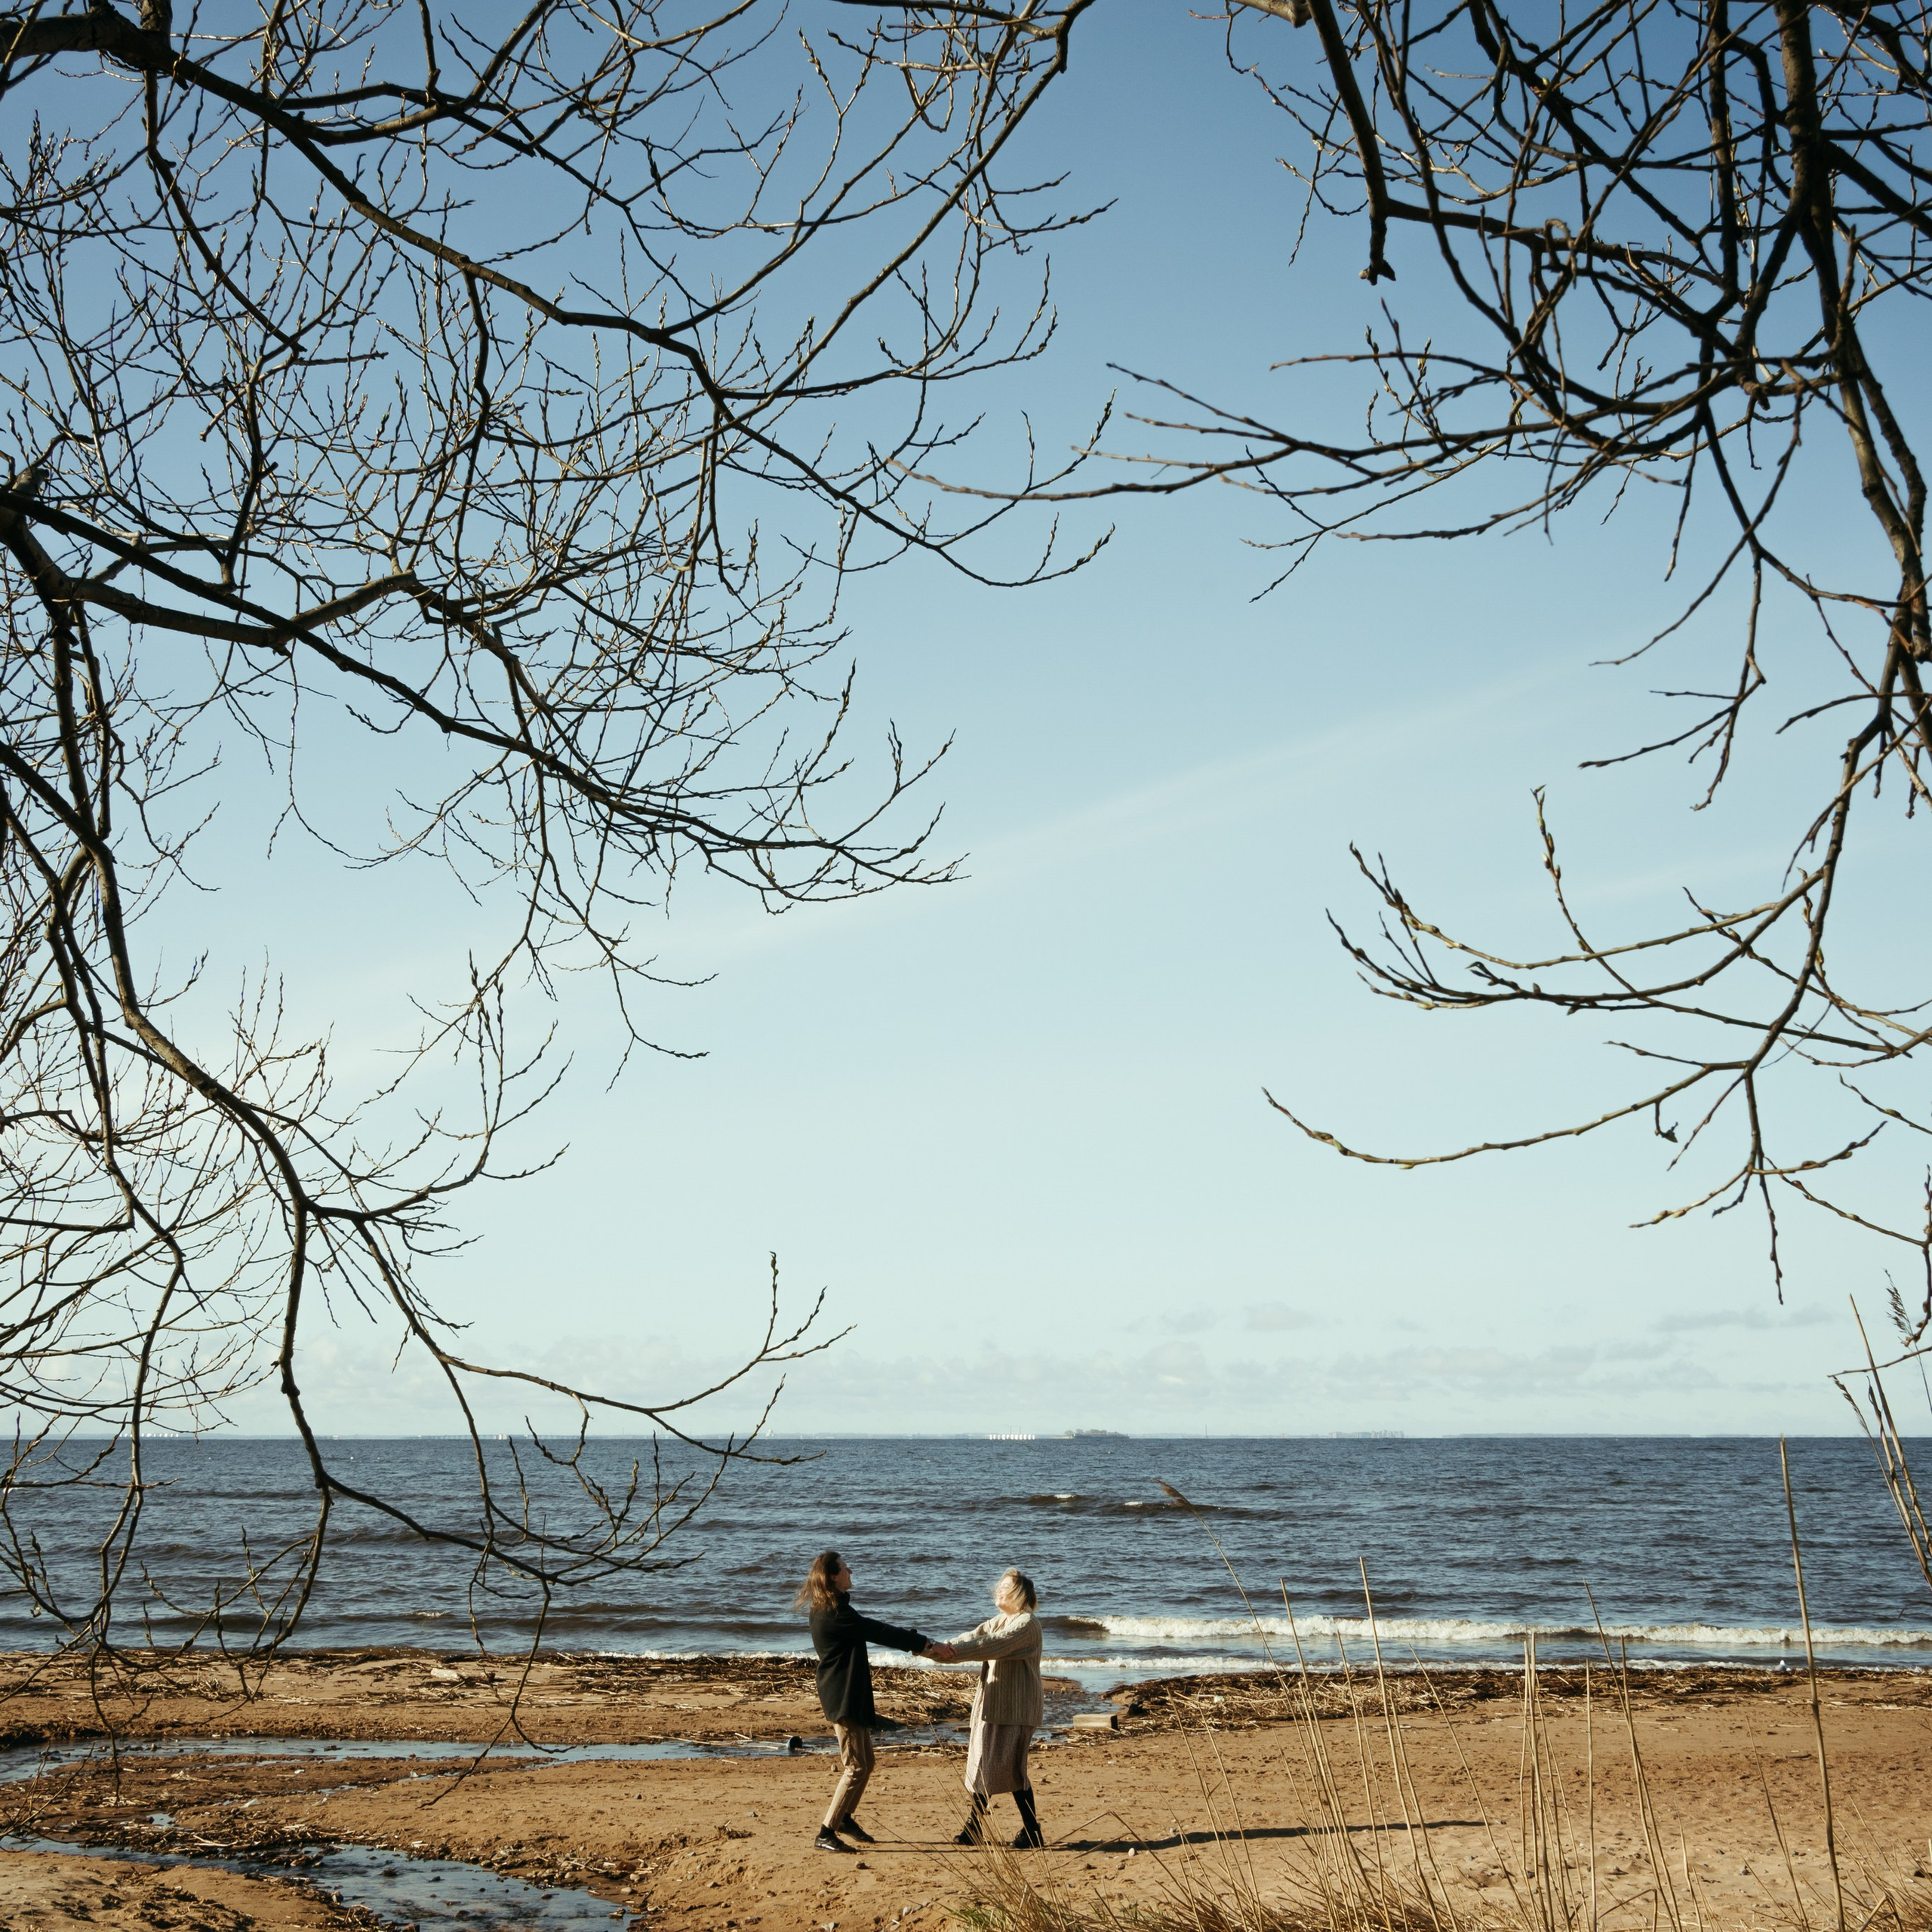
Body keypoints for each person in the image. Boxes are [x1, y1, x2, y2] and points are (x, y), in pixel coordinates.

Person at [795, 1549, 950, 1854]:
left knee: (867, 1764)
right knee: (855, 1768)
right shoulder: (835, 1614)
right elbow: (880, 1631)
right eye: (845, 1569)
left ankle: (845, 1818)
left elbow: (873, 1630)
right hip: (843, 1697)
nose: (850, 1572)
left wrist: (922, 1645)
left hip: (850, 1694)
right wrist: (925, 1643)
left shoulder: (832, 1608)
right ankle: (826, 1832)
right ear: (833, 1577)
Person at [938, 1567, 1046, 1849]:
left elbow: (990, 1645)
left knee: (1008, 1768)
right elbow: (974, 1636)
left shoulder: (1026, 1624)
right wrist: (938, 1648)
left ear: (1020, 1594)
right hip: (995, 1706)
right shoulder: (1001, 1620)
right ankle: (986, 1829)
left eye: (1006, 1587)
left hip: (1016, 1709)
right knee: (989, 1766)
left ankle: (1023, 1831)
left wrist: (947, 1653)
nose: (999, 1589)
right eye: (1000, 1585)